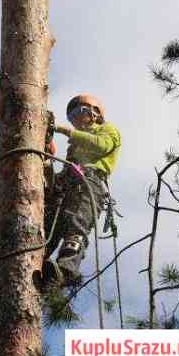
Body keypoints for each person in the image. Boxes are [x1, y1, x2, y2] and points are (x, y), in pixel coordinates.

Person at [42, 94, 121, 287]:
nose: (75, 119)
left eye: (79, 112)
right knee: (48, 227)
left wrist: (66, 131)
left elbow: (102, 145)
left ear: (94, 114)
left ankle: (66, 270)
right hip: (66, 187)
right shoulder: (75, 147)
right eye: (71, 117)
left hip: (90, 183)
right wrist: (46, 159)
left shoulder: (106, 130)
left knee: (77, 226)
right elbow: (63, 173)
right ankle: (37, 262)